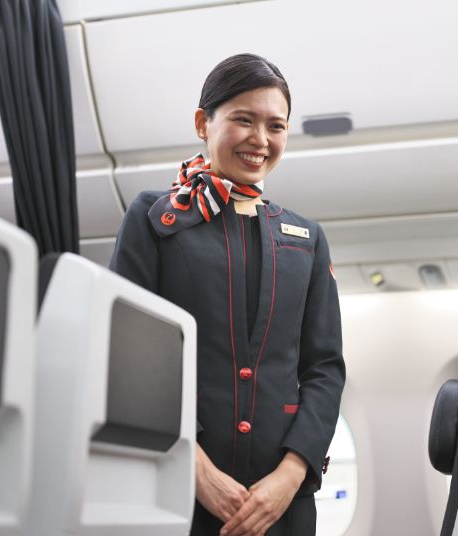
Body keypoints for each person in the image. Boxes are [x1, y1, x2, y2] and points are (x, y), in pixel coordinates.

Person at [109, 53, 345, 536]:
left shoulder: (305, 237)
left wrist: (291, 475)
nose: (260, 140)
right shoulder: (156, 220)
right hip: (175, 493)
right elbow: (127, 354)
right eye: (244, 120)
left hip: (281, 507)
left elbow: (324, 369)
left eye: (275, 126)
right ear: (203, 122)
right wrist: (195, 470)